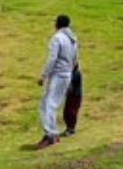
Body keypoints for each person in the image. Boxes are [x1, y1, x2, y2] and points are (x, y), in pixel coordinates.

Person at [36, 14, 78, 149]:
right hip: (67, 74)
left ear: (57, 24)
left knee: (47, 104)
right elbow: (75, 59)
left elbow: (52, 58)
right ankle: (51, 133)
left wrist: (43, 75)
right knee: (50, 104)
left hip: (58, 75)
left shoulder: (57, 38)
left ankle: (51, 135)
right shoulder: (72, 39)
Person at [62, 63, 82, 137]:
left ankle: (71, 129)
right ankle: (68, 128)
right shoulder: (71, 74)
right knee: (66, 113)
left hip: (75, 96)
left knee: (71, 113)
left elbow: (70, 86)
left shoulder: (75, 74)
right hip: (71, 96)